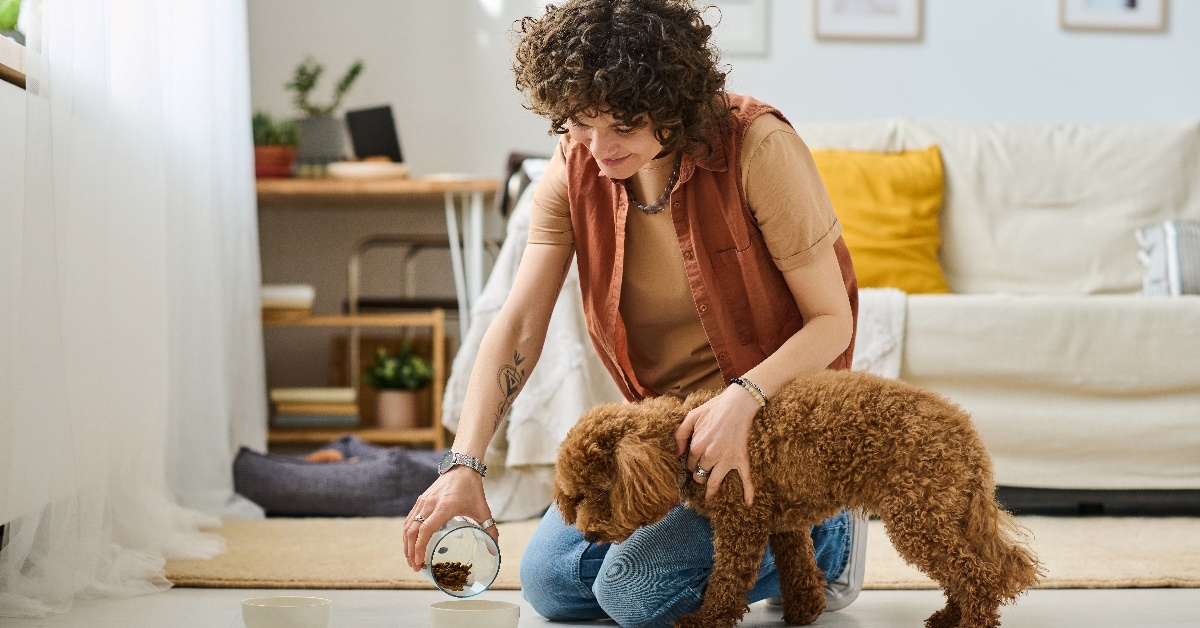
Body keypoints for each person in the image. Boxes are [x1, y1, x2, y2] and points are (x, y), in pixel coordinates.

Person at [402, 0, 864, 625]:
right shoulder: (574, 164)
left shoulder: (758, 147)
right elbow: (519, 323)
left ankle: (829, 536)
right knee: (551, 583)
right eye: (580, 123)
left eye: (622, 125)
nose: (597, 149)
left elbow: (832, 321)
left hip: (778, 428)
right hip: (672, 442)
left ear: (674, 104)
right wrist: (465, 464)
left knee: (631, 591)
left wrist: (742, 398)